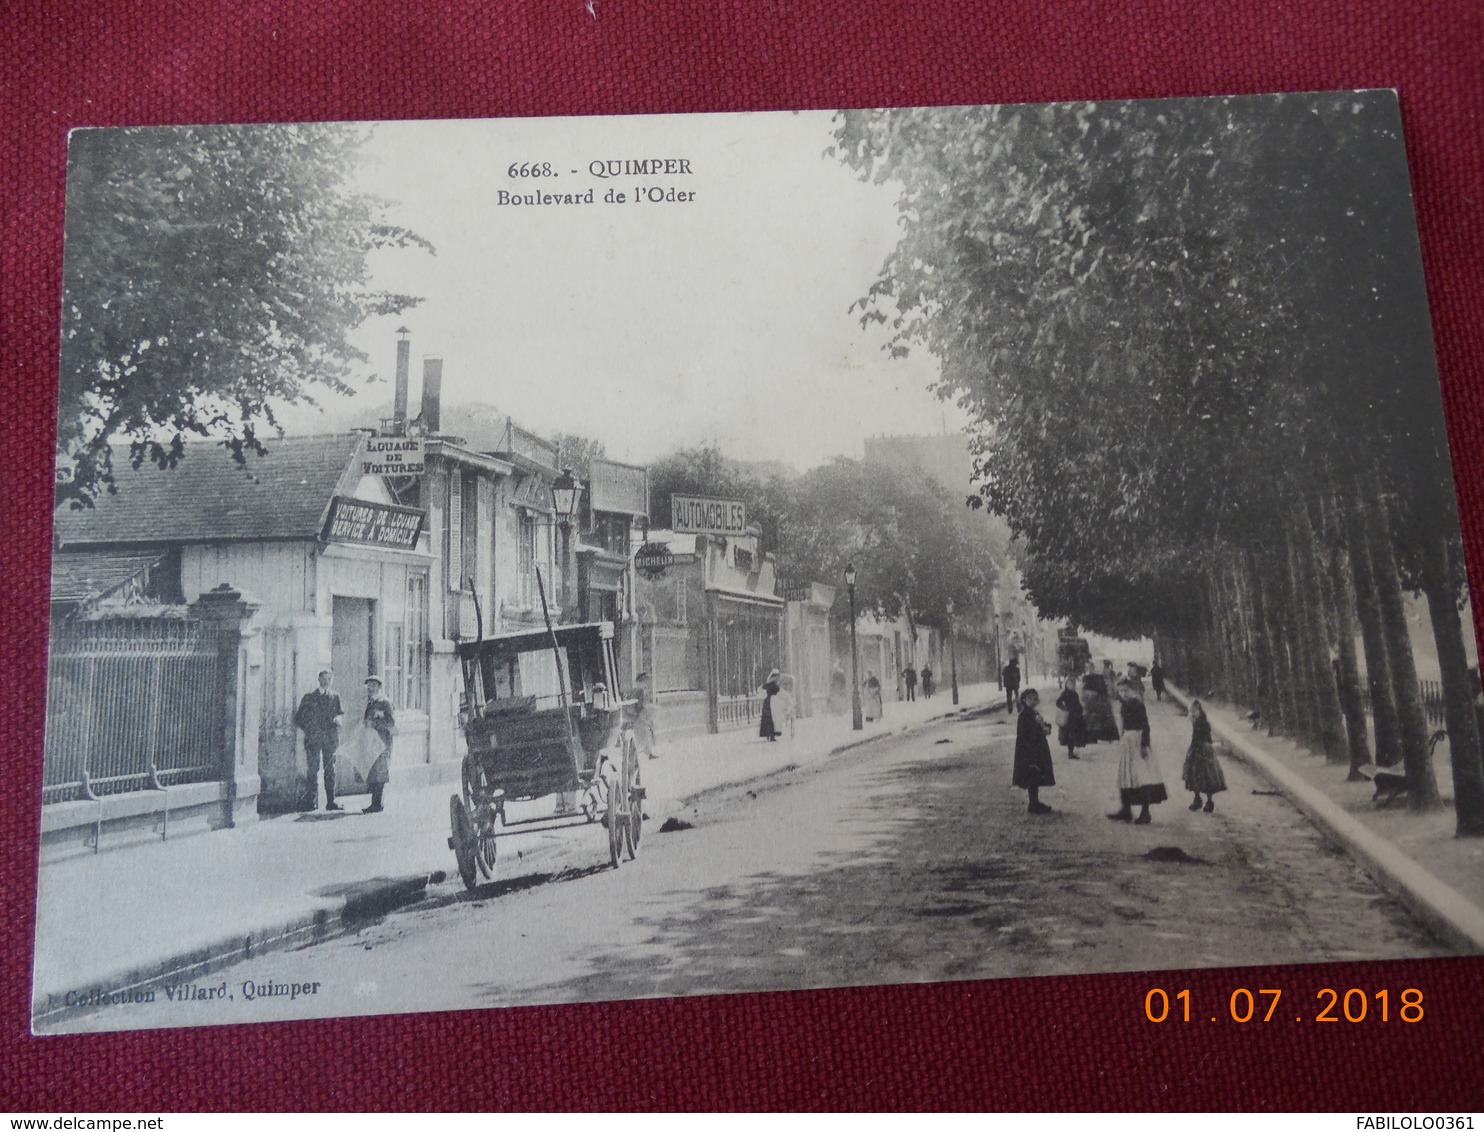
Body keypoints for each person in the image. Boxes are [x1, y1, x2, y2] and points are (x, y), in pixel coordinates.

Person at [1109, 678, 1166, 824]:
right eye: (1121, 691)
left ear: (1132, 690)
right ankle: (1126, 810)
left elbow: (1145, 725)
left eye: (1126, 690)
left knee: (1142, 777)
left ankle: (1145, 813)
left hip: (1137, 740)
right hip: (1127, 742)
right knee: (1125, 775)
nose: (1123, 694)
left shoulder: (1138, 704)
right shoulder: (1123, 705)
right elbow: (1122, 725)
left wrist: (1144, 745)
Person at [293, 669, 343, 812]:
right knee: (313, 770)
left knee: (330, 770)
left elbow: (340, 714)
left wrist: (338, 720)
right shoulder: (309, 697)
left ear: (332, 680)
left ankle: (331, 801)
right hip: (313, 739)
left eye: (329, 679)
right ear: (319, 679)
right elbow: (298, 718)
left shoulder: (335, 697)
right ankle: (311, 801)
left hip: (330, 739)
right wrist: (310, 729)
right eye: (324, 678)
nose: (327, 681)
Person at [1012, 688, 1056, 814]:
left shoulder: (1033, 713)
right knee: (1032, 776)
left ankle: (1035, 802)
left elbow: (1041, 726)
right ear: (1024, 700)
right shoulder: (1024, 716)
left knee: (1035, 777)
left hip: (1036, 750)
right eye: (1029, 698)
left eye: (1034, 699)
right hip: (1029, 752)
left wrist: (1045, 727)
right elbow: (1024, 734)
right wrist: (1038, 728)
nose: (1032, 701)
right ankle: (1033, 804)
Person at [1182, 699, 1227, 812]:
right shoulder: (1204, 720)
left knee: (1195, 773)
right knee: (1207, 775)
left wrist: (1192, 750)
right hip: (1207, 749)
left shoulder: (1198, 722)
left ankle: (1198, 799)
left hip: (1199, 749)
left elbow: (1196, 738)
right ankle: (1208, 801)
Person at [362, 674, 396, 814]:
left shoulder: (384, 702)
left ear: (379, 687)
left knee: (380, 772)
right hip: (372, 740)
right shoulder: (371, 702)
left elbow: (391, 722)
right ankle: (374, 803)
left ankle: (378, 804)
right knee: (374, 772)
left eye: (374, 686)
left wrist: (375, 723)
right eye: (369, 686)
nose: (370, 688)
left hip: (383, 741)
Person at [1054, 675, 1086, 759]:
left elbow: (1077, 703)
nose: (1072, 686)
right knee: (1070, 736)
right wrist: (1064, 708)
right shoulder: (1065, 693)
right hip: (1069, 718)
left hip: (1076, 717)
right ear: (1066, 685)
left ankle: (1071, 752)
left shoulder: (1075, 693)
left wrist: (1081, 710)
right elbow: (1058, 702)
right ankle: (1070, 753)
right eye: (1070, 684)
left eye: (1073, 684)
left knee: (1074, 735)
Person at [632, 670, 658, 759]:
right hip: (640, 717)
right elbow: (640, 705)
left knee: (642, 736)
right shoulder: (640, 691)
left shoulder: (636, 690)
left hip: (638, 717)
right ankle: (647, 753)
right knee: (644, 735)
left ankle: (647, 752)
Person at [759, 669, 782, 741]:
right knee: (772, 718)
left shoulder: (769, 683)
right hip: (772, 702)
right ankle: (772, 734)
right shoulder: (773, 684)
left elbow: (760, 689)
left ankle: (769, 734)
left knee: (770, 718)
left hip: (769, 701)